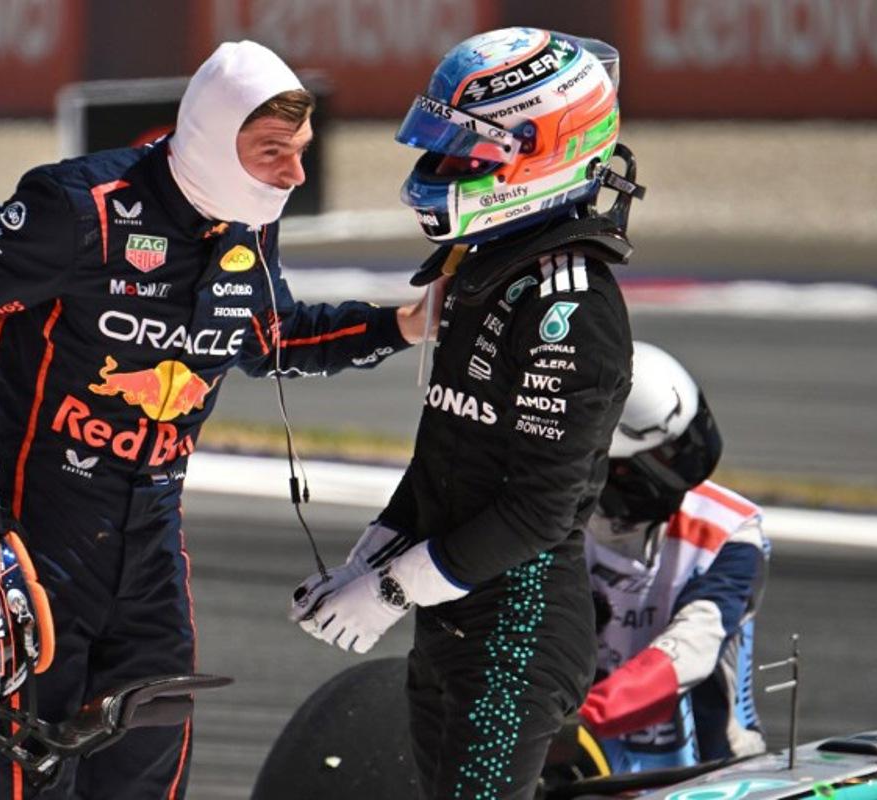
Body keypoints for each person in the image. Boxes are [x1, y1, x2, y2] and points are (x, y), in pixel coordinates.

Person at [0, 40, 441, 799]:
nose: (295, 175)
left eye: (302, 153)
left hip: (151, 557)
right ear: (211, 137)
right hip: (33, 550)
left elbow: (270, 336)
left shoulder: (247, 225)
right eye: (273, 152)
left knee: (148, 779)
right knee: (26, 782)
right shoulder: (75, 209)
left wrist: (402, 325)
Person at [292, 27, 643, 800]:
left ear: (538, 153)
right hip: (449, 617)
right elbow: (446, 451)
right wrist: (372, 554)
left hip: (515, 630)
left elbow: (538, 512)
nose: (439, 170)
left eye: (464, 154)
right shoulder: (479, 269)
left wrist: (389, 590)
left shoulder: (571, 305)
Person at [574, 341, 767, 774]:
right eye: (662, 457)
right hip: (571, 764)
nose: (685, 472)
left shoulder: (731, 531)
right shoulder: (546, 526)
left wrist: (582, 721)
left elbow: (691, 650)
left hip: (710, 772)